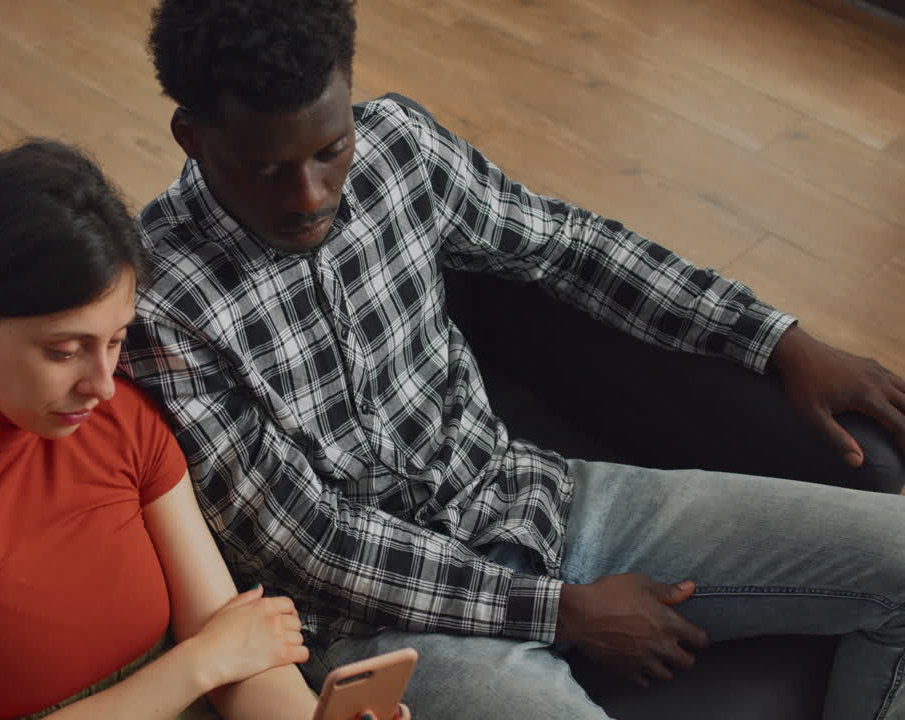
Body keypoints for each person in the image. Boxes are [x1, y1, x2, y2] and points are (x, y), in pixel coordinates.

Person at [119, 1, 905, 718]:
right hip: (385, 626)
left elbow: (568, 249)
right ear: (192, 136)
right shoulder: (157, 303)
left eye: (331, 150)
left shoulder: (401, 147)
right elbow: (310, 541)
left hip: (534, 498)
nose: (309, 196)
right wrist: (558, 608)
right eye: (265, 168)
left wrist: (774, 337)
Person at [0, 138, 347, 720]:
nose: (102, 382)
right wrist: (198, 664)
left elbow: (238, 647)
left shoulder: (122, 420)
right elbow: (220, 651)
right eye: (66, 351)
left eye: (115, 340)